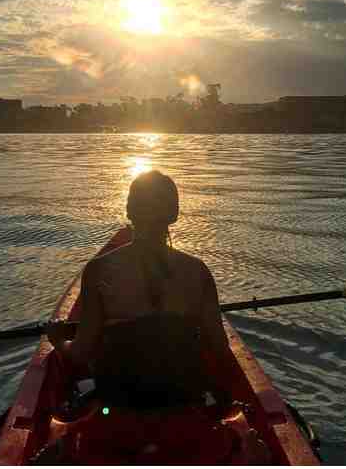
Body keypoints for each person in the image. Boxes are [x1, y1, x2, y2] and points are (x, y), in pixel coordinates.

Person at [46, 170, 237, 407]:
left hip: (118, 399)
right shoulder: (198, 272)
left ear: (128, 210)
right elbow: (220, 348)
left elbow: (80, 354)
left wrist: (57, 340)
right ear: (174, 214)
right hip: (184, 398)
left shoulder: (98, 270)